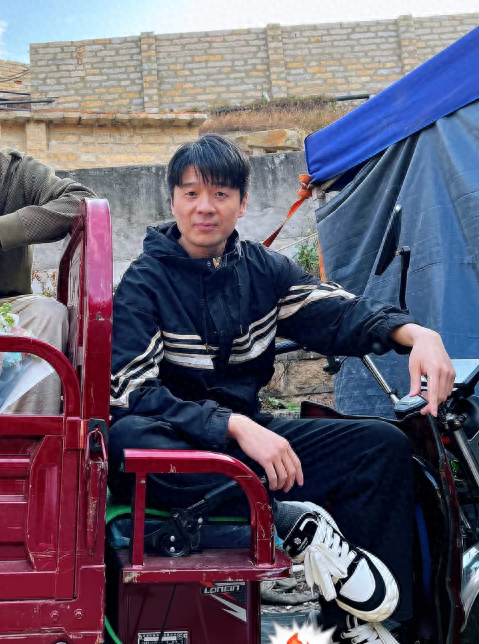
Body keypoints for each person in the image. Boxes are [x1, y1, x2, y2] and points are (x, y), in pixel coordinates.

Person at [109, 134, 455, 644]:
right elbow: (132, 392)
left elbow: (339, 312)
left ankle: (366, 625)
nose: (205, 207)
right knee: (128, 440)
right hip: (186, 445)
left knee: (380, 446)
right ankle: (284, 519)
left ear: (242, 203)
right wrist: (233, 425)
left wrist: (418, 335)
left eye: (221, 194)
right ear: (173, 200)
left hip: (252, 447)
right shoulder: (142, 284)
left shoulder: (264, 270)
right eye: (191, 193)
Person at [0, 146, 96, 413]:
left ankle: (25, 434)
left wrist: (4, 231)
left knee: (49, 314)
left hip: (8, 311)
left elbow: (80, 201)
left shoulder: (15, 172)